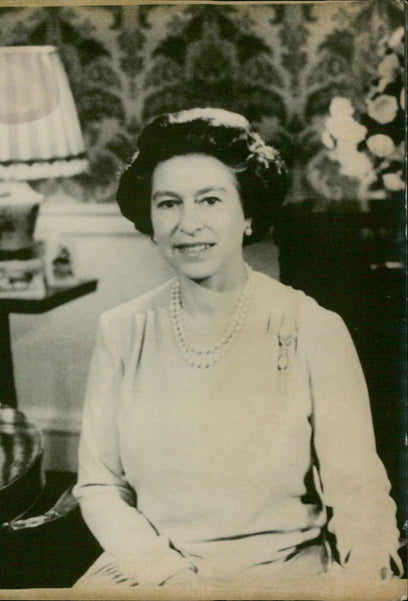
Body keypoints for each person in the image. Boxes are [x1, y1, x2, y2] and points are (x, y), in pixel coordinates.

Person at [72, 108, 403, 588]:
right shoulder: (122, 330)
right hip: (151, 573)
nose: (188, 224)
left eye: (210, 201)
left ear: (248, 215)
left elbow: (359, 493)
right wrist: (168, 577)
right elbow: (99, 485)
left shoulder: (313, 328)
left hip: (282, 574)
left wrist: (367, 573)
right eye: (168, 204)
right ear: (151, 220)